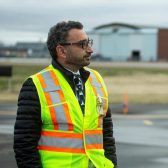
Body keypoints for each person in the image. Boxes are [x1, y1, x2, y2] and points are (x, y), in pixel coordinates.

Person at [13, 21, 117, 168]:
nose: (90, 49)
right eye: (82, 44)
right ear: (62, 51)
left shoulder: (96, 80)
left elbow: (106, 133)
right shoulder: (36, 85)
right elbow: (24, 145)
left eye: (89, 42)